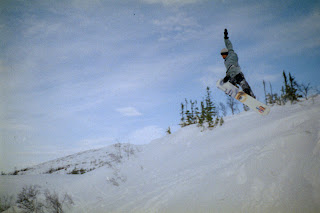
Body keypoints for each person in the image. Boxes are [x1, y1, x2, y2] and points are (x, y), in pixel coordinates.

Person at [221, 29, 255, 98]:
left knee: (243, 84)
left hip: (237, 73)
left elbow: (229, 45)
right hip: (232, 76)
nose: (222, 57)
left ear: (226, 53)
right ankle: (233, 89)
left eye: (223, 55)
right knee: (230, 83)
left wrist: (226, 37)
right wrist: (226, 76)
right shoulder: (225, 62)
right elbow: (228, 70)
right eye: (221, 55)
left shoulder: (231, 53)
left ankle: (250, 94)